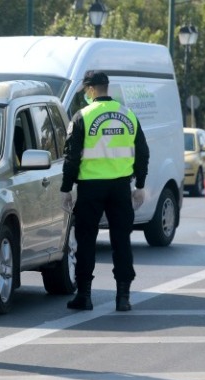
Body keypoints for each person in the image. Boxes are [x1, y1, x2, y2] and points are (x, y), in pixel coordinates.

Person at [60, 70, 150, 312]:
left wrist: (66, 189)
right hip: (121, 187)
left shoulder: (82, 116)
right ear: (106, 87)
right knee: (121, 241)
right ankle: (123, 297)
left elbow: (71, 158)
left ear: (90, 90)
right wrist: (140, 185)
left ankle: (84, 296)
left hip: (90, 188)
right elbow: (142, 153)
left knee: (86, 240)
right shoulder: (128, 115)